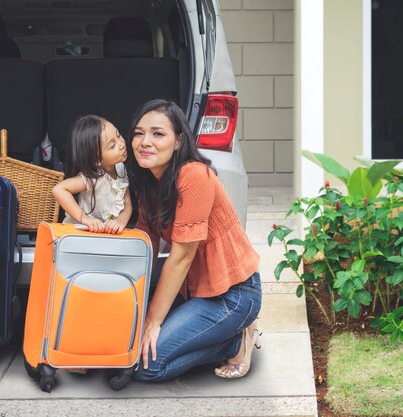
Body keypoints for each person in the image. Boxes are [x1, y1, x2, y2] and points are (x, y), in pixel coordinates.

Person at [127, 99, 262, 382]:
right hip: (194, 292)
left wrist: (153, 321)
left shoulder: (193, 175)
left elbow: (181, 257)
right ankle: (220, 334)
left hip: (232, 295)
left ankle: (237, 339)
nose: (144, 142)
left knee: (146, 367)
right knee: (126, 345)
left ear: (178, 141)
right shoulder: (148, 180)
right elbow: (145, 243)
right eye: (139, 133)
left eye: (157, 133)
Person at [52, 115, 132, 234]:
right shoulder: (94, 177)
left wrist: (120, 221)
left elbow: (127, 203)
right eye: (112, 146)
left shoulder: (120, 168)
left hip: (103, 235)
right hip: (79, 234)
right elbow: (59, 190)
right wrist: (85, 219)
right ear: (96, 160)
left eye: (118, 135)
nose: (121, 144)